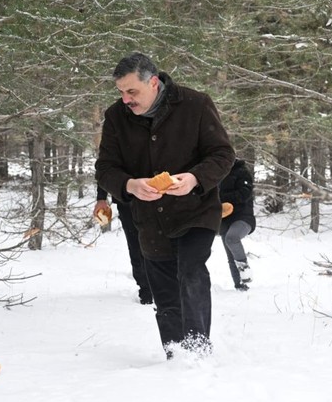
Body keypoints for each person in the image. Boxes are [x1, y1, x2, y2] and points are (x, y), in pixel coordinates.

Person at [94, 53, 235, 358]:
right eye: (121, 92)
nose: (126, 99)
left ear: (154, 82)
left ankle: (197, 352)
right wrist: (131, 186)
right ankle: (175, 355)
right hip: (148, 217)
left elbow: (223, 155)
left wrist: (195, 178)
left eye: (132, 91)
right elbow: (105, 168)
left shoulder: (195, 105)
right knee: (164, 289)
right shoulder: (116, 117)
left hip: (195, 210)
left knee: (190, 271)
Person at [94, 186, 153, 305]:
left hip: (156, 196)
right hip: (127, 199)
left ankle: (160, 286)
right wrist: (101, 198)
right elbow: (105, 169)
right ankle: (146, 289)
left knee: (157, 243)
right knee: (135, 244)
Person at [218, 158, 255, 291]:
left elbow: (245, 193)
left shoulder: (242, 172)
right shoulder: (216, 174)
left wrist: (221, 198)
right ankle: (239, 285)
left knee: (231, 238)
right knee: (230, 254)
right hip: (224, 218)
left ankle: (244, 269)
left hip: (243, 217)